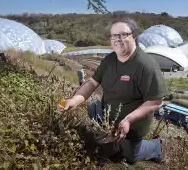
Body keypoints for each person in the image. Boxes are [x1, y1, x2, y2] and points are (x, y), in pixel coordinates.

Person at [57, 16, 168, 164]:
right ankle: (112, 140)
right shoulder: (110, 60)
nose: (118, 39)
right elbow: (92, 83)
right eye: (114, 35)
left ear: (134, 36)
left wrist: (128, 120)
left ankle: (156, 146)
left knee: (131, 157)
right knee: (101, 133)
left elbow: (155, 101)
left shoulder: (146, 66)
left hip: (132, 124)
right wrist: (74, 100)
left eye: (123, 34)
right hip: (107, 113)